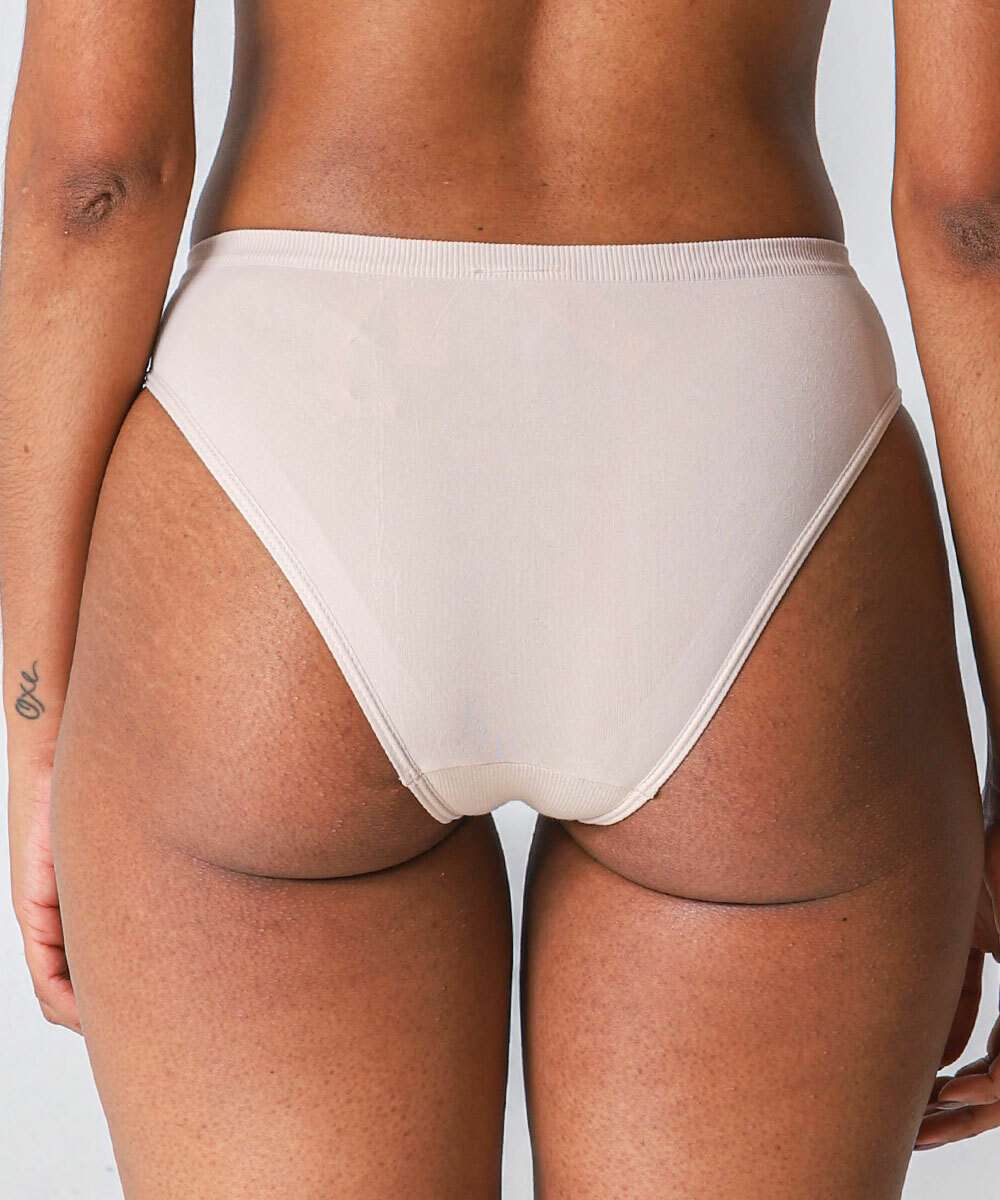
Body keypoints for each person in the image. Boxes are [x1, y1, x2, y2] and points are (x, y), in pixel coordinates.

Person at [1, 1, 998, 1195]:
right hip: (746, 433)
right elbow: (971, 215)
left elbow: (93, 178)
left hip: (293, 434)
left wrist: (40, 722)